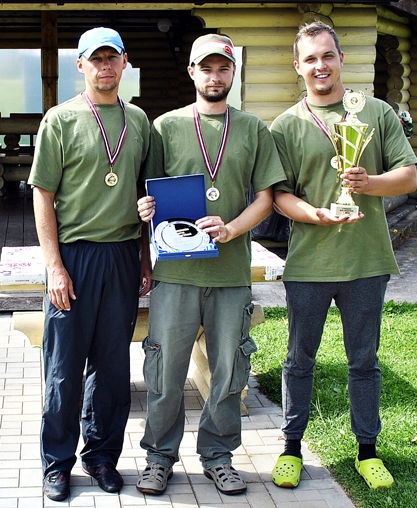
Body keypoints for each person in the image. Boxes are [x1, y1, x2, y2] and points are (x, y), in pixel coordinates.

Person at [134, 33, 286, 496]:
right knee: (164, 372)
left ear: (232, 73)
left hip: (229, 274)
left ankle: (218, 456)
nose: (215, 76)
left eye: (223, 68)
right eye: (207, 68)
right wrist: (144, 214)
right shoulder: (166, 127)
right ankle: (159, 458)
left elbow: (267, 197)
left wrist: (235, 228)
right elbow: (147, 192)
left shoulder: (254, 129)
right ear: (192, 73)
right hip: (175, 275)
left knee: (228, 372)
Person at [269, 21, 417, 490]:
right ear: (298, 66)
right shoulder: (287, 125)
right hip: (309, 265)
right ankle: (292, 447)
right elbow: (278, 195)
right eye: (310, 59)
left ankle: (367, 450)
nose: (320, 66)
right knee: (298, 360)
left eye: (327, 56)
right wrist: (313, 214)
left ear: (340, 60)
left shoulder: (374, 112)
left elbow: (409, 175)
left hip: (366, 261)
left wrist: (368, 185)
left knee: (364, 362)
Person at [28, 27, 152, 502]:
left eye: (112, 58)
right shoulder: (59, 120)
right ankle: (56, 463)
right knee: (63, 368)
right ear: (79, 65)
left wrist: (143, 258)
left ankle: (101, 457)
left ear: (125, 63)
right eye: (95, 59)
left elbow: (147, 195)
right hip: (74, 256)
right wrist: (54, 267)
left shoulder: (139, 121)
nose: (104, 67)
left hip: (121, 255)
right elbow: (43, 194)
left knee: (112, 367)